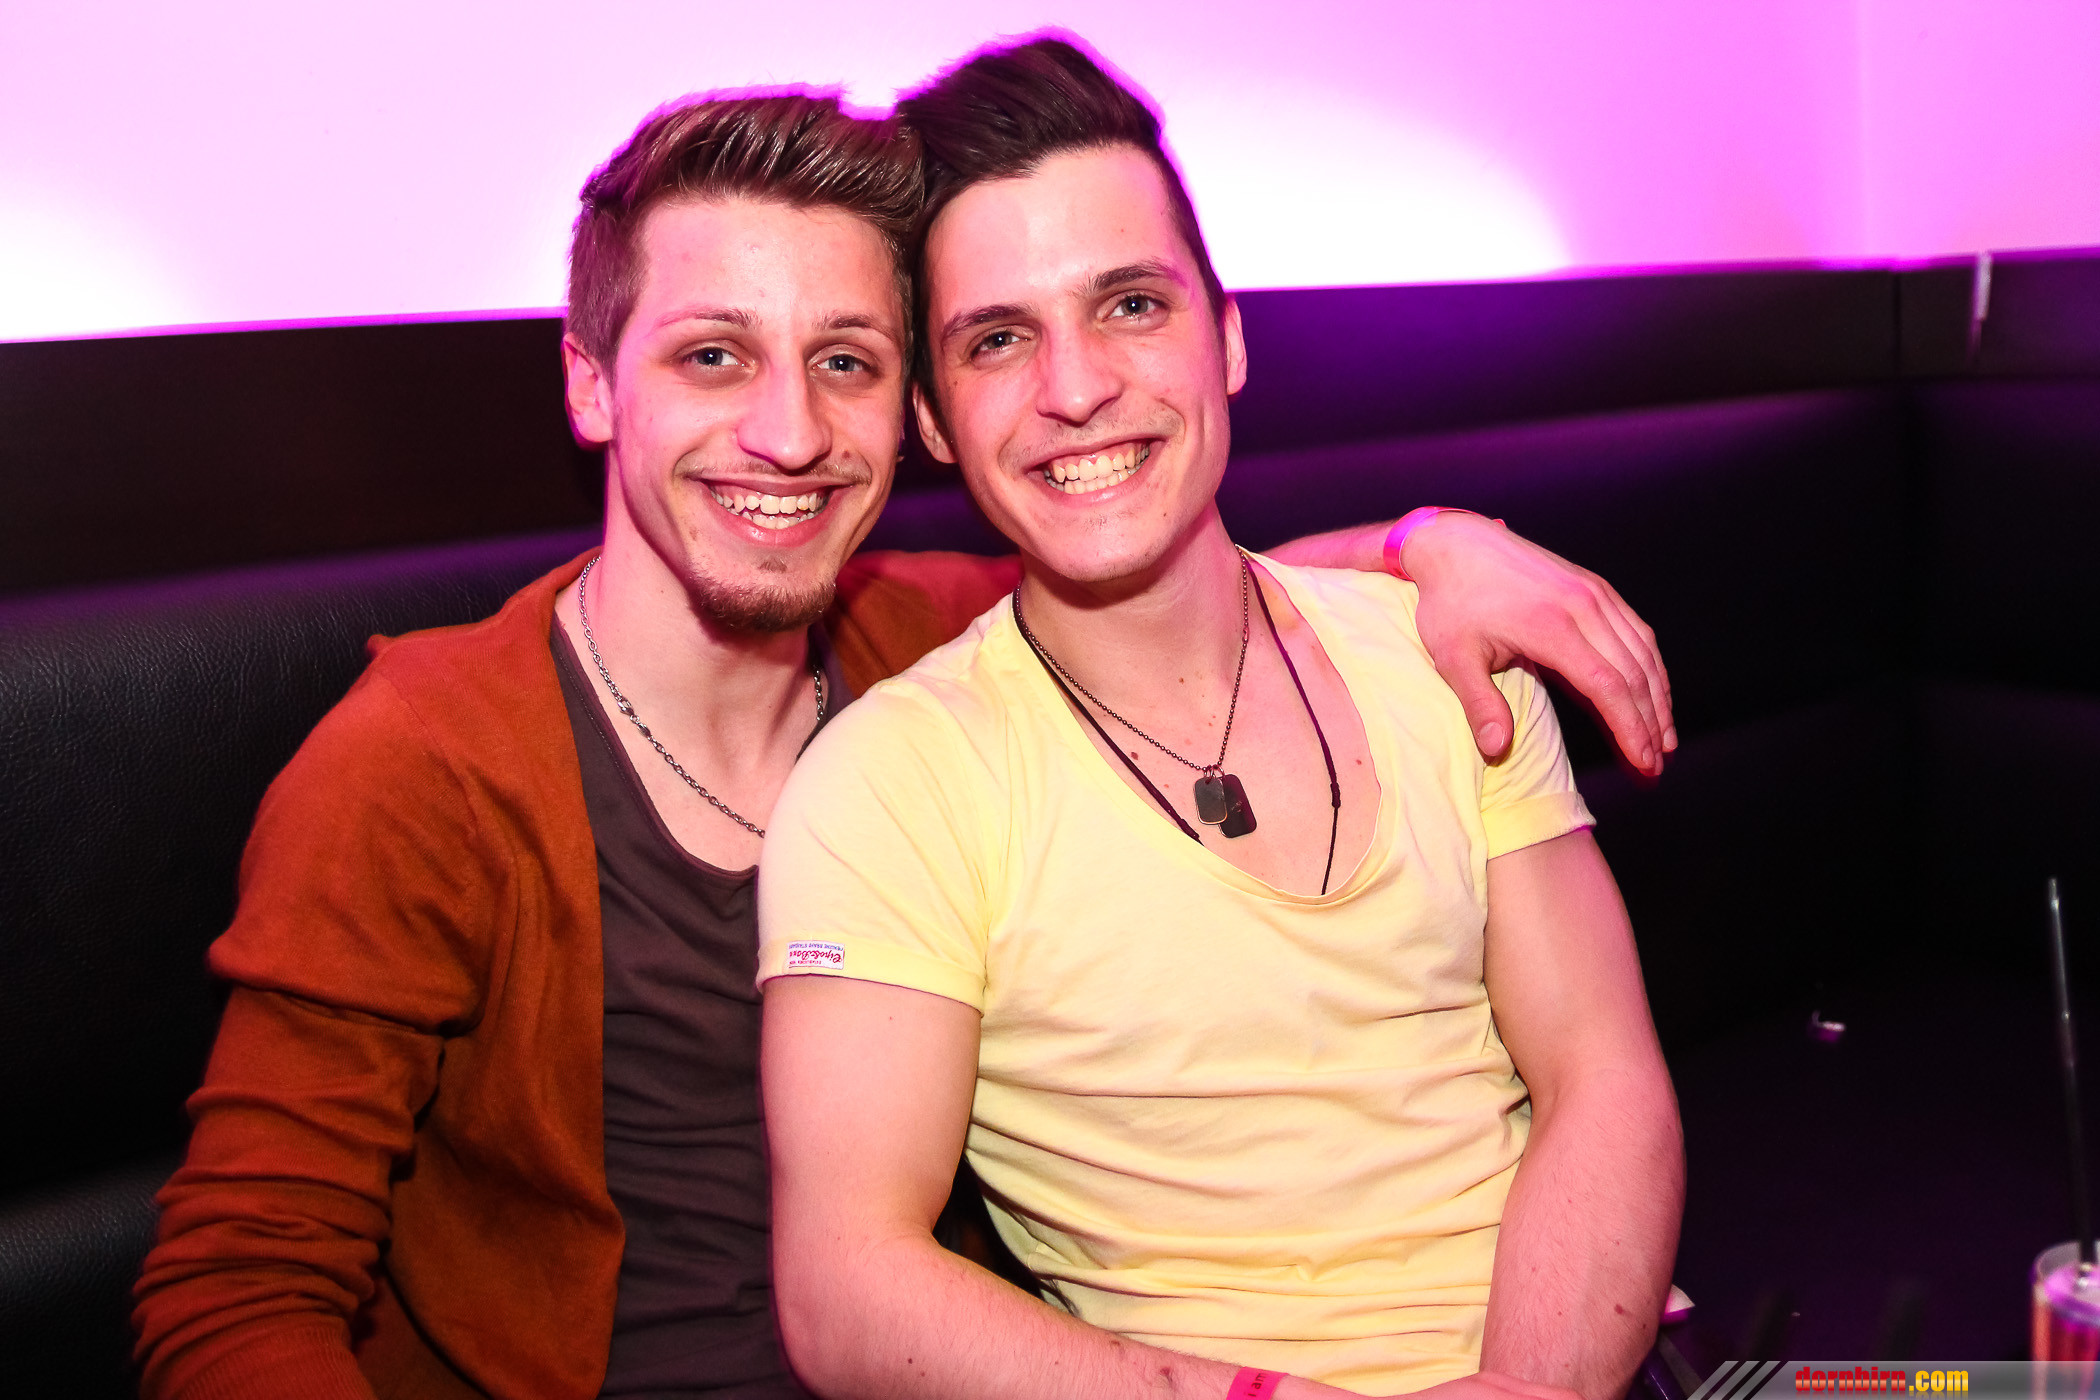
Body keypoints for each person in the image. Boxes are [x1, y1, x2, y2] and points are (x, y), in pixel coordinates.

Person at [131, 89, 1673, 1400]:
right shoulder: (425, 765)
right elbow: (233, 1294)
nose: (790, 434)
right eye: (712, 356)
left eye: (846, 360)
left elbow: (1153, 551)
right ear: (592, 382)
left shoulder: (901, 638)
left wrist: (1428, 544)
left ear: (909, 409)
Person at [756, 38, 1683, 1400]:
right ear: (935, 422)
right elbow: (848, 1292)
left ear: (1229, 338)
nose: (1077, 387)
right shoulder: (893, 783)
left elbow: (1603, 1081)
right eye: (998, 339)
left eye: (1130, 304)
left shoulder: (1446, 655)